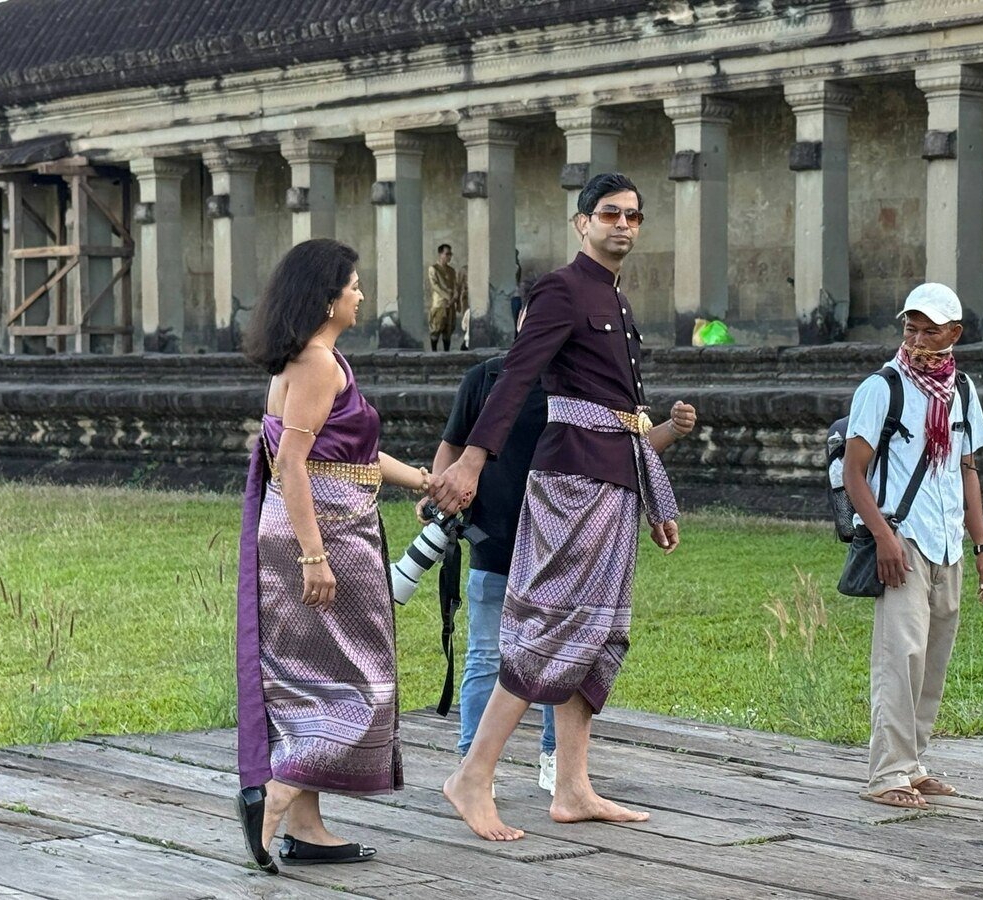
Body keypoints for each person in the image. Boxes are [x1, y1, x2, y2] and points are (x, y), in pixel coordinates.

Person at [430, 172, 685, 842]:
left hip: (614, 480)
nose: (623, 225)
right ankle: (472, 776)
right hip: (572, 482)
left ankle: (572, 788)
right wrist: (472, 461)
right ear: (582, 223)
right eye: (610, 214)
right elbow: (516, 378)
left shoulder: (615, 299)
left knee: (596, 633)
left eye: (633, 216)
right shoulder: (562, 289)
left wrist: (654, 494)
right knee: (549, 628)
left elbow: (627, 414)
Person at [425, 315, 697, 796]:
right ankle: (472, 761)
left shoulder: (586, 388)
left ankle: (555, 758)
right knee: (486, 655)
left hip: (563, 551)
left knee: (565, 653)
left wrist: (670, 431)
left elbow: (625, 451)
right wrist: (439, 494)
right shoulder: (486, 380)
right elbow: (453, 447)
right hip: (495, 542)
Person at [235, 238, 431, 872]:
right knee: (362, 681)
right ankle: (275, 794)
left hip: (310, 529)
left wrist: (422, 480)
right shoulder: (319, 364)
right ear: (327, 299)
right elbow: (293, 463)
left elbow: (349, 454)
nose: (361, 296)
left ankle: (306, 829)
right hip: (327, 537)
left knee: (310, 679)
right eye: (353, 286)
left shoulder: (309, 360)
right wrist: (314, 556)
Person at [842, 282, 983, 811]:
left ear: (955, 333)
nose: (917, 340)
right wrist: (883, 536)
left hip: (947, 539)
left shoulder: (963, 391)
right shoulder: (882, 387)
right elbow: (854, 472)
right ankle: (886, 773)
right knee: (900, 656)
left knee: (933, 659)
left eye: (930, 331)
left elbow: (966, 469)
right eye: (911, 328)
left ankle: (913, 764)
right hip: (902, 537)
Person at [427, 244, 458, 351]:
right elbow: (435, 286)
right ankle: (434, 352)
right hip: (439, 304)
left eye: (450, 254)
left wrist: (454, 297)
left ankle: (446, 353)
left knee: (448, 330)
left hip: (450, 304)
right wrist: (447, 296)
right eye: (447, 254)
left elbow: (455, 285)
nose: (449, 256)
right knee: (436, 329)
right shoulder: (433, 269)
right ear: (440, 254)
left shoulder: (451, 270)